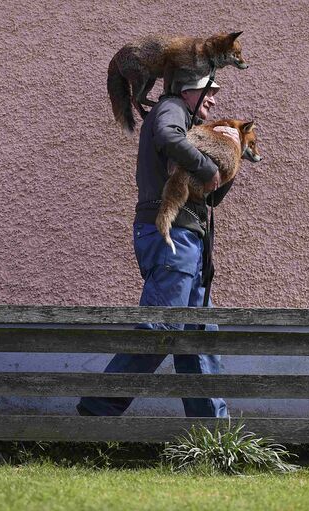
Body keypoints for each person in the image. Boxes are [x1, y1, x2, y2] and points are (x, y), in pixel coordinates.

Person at [77, 76, 239, 418]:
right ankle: (96, 414)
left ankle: (213, 431)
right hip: (172, 239)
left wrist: (231, 153)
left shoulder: (191, 125)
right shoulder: (171, 108)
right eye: (207, 91)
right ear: (186, 89)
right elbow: (166, 135)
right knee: (162, 326)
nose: (212, 99)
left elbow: (212, 196)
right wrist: (207, 162)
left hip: (189, 240)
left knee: (199, 333)